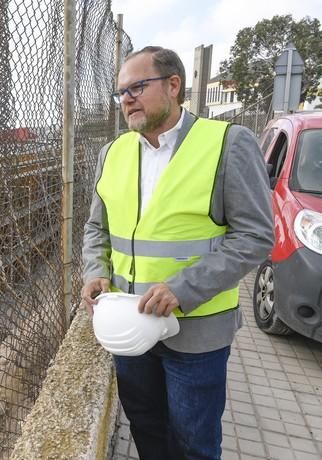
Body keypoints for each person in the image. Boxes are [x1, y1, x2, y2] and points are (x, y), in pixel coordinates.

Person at [81, 46, 274, 460]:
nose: (126, 99)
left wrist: (182, 289)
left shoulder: (227, 143)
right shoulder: (112, 153)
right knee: (146, 428)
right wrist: (95, 271)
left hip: (197, 335)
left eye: (137, 86)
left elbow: (256, 236)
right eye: (121, 92)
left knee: (193, 444)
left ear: (173, 86)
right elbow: (98, 227)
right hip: (130, 331)